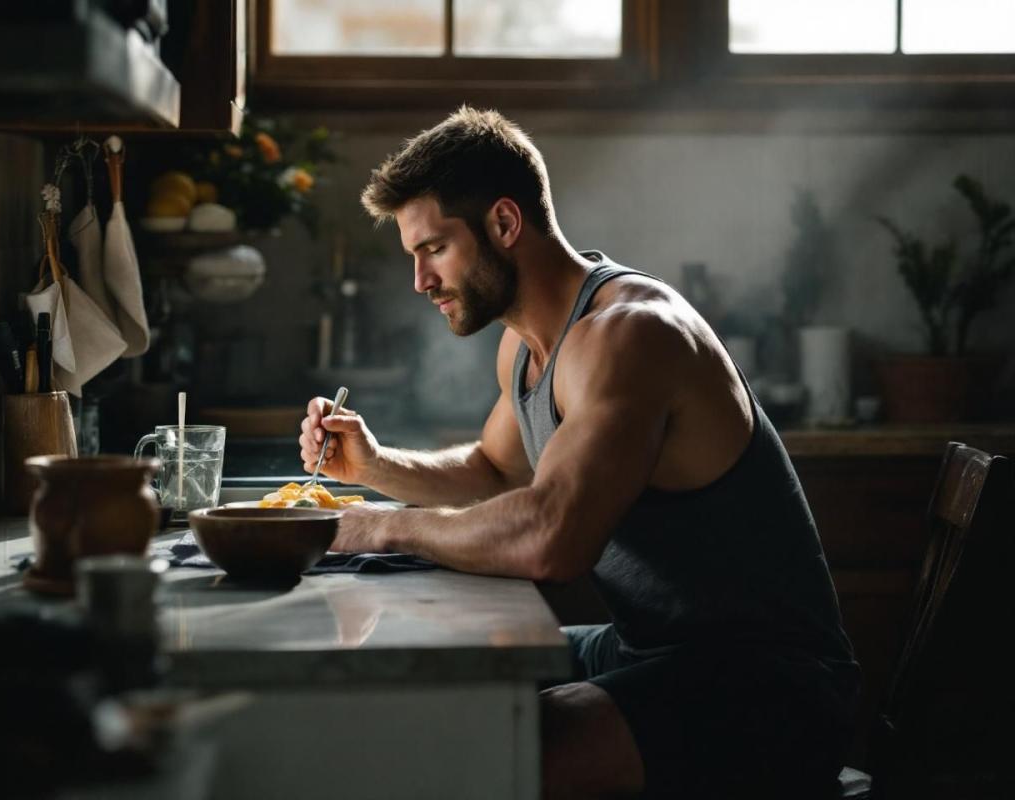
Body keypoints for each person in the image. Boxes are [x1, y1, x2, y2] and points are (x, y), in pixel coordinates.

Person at [298, 106, 859, 799]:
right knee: (445, 689)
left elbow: (549, 540)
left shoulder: (630, 335)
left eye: (434, 249)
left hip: (771, 684)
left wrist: (378, 526)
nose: (421, 281)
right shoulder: (527, 344)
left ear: (504, 224)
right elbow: (494, 470)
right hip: (647, 646)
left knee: (497, 750)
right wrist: (375, 467)